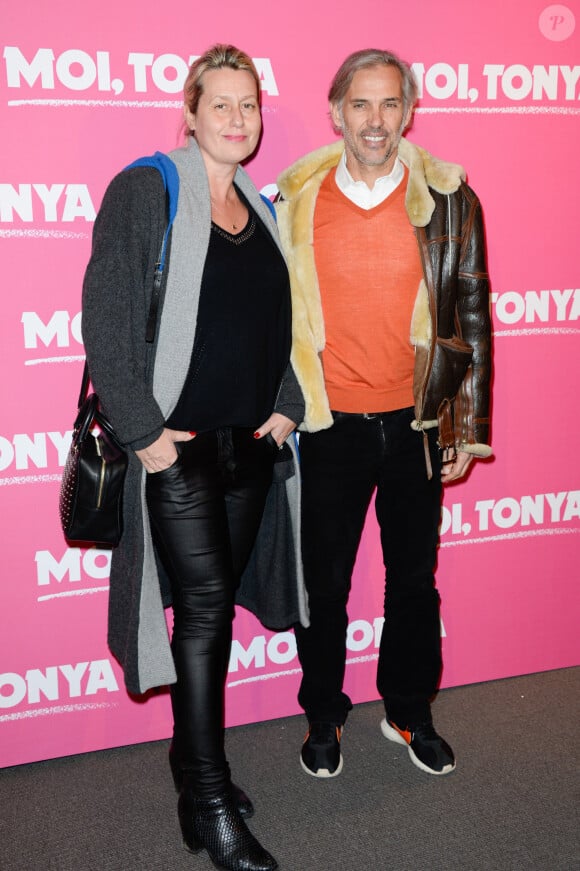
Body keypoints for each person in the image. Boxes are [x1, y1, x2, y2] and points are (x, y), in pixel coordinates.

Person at [82, 44, 308, 871]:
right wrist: (143, 433)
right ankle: (207, 801)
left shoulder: (259, 200)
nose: (238, 119)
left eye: (249, 105)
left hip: (248, 446)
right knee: (206, 609)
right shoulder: (147, 188)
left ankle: (189, 760)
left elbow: (265, 321)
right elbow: (105, 316)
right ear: (189, 109)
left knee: (213, 609)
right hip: (175, 451)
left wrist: (288, 399)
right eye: (222, 104)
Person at [276, 48, 492, 779]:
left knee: (413, 581)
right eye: (360, 105)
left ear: (409, 112)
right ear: (336, 110)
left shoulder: (452, 198)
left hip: (417, 426)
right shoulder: (295, 200)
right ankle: (323, 714)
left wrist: (468, 422)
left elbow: (471, 314)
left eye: (389, 104)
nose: (375, 121)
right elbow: (274, 320)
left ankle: (409, 711)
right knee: (325, 585)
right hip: (326, 426)